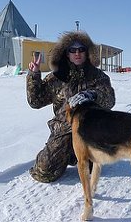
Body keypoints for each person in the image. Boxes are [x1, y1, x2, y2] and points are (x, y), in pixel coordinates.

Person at [26, 31, 115, 183]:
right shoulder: (57, 77)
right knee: (44, 173)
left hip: (90, 132)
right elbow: (36, 102)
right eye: (72, 50)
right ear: (66, 54)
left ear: (87, 52)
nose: (77, 53)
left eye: (81, 49)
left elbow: (110, 101)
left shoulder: (98, 77)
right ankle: (59, 154)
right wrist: (34, 76)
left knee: (90, 170)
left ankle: (80, 155)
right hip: (64, 130)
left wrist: (92, 95)